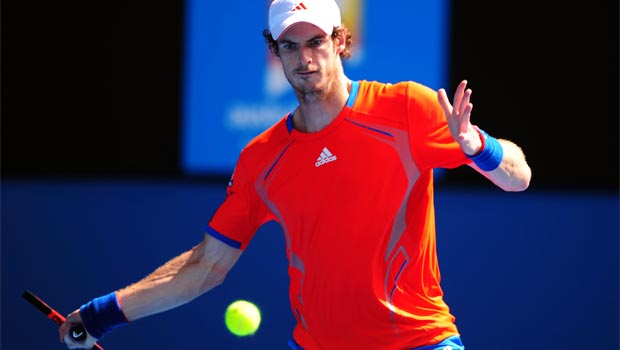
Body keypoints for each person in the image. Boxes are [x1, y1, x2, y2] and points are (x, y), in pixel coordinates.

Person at [59, 0, 532, 349]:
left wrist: (478, 148)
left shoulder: (407, 108)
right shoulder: (261, 159)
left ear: (340, 42)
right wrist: (101, 315)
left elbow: (519, 176)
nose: (305, 59)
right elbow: (206, 266)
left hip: (419, 340)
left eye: (315, 42)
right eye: (290, 46)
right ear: (275, 52)